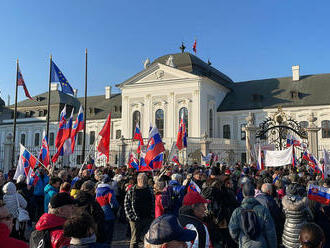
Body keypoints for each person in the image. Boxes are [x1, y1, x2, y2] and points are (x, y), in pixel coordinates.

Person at [228, 182, 277, 248]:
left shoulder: (237, 211)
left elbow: (232, 231)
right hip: (261, 244)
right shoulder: (263, 210)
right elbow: (270, 232)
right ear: (254, 193)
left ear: (243, 194)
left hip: (244, 244)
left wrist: (240, 239)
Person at [124, 173, 155, 248]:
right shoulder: (132, 190)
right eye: (142, 179)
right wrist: (131, 217)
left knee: (148, 239)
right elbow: (126, 204)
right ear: (138, 180)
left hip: (147, 218)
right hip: (135, 219)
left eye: (145, 179)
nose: (144, 181)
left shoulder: (149, 189)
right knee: (134, 240)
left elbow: (153, 202)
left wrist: (152, 215)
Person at [282, 183, 313, 248]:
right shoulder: (304, 203)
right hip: (301, 229)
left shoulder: (285, 203)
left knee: (288, 245)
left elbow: (283, 215)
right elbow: (311, 217)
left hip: (289, 228)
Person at [95, 175, 118, 244]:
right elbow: (114, 204)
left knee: (101, 234)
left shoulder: (97, 190)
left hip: (99, 213)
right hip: (109, 214)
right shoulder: (109, 191)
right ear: (108, 182)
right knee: (108, 235)